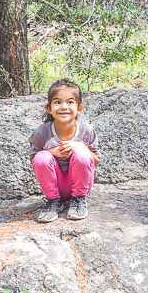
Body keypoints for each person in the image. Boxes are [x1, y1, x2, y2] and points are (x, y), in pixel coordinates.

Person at [29, 79, 100, 222]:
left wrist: (81, 147)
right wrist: (50, 152)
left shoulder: (86, 131)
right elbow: (34, 160)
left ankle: (79, 200)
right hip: (55, 185)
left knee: (82, 154)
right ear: (49, 108)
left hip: (79, 184)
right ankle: (52, 202)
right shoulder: (42, 132)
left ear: (79, 108)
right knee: (42, 156)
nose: (63, 107)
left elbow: (96, 161)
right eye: (57, 102)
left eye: (70, 102)